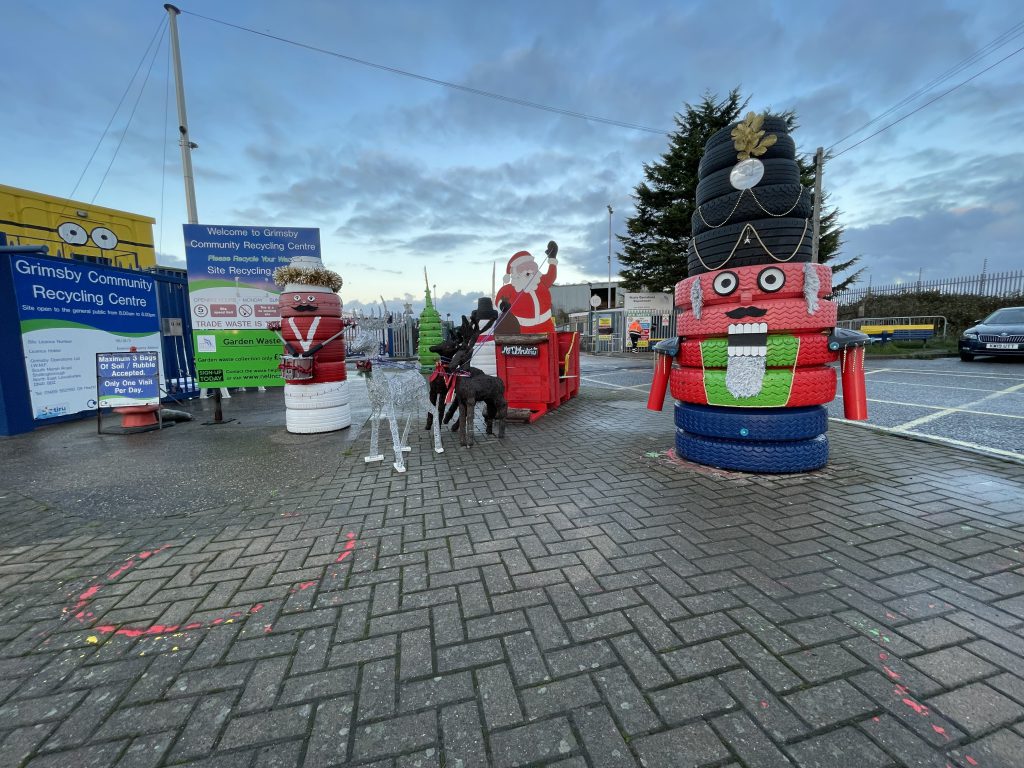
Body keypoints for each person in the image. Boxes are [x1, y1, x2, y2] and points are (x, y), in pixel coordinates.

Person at [494, 242, 558, 334]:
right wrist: (503, 305)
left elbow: (551, 276)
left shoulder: (541, 281)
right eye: (522, 268)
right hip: (522, 329)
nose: (528, 269)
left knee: (549, 346)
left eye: (531, 266)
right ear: (515, 272)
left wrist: (552, 258)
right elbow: (499, 300)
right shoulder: (509, 289)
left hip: (546, 326)